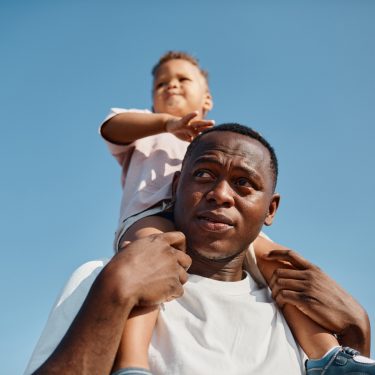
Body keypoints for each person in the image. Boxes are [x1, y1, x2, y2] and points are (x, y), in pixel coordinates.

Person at [98, 51, 372, 373]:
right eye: (162, 83)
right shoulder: (147, 132)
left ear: (207, 98)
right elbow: (111, 127)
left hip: (219, 218)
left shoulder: (218, 142)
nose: (171, 86)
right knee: (146, 264)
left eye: (183, 79)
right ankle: (132, 364)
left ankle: (328, 356)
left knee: (280, 263)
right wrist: (167, 123)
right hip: (152, 214)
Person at [25, 124, 373, 375]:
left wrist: (358, 336)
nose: (221, 194)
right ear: (176, 187)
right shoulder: (104, 281)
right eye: (204, 174)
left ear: (270, 210)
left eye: (243, 183)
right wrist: (114, 292)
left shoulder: (299, 322)